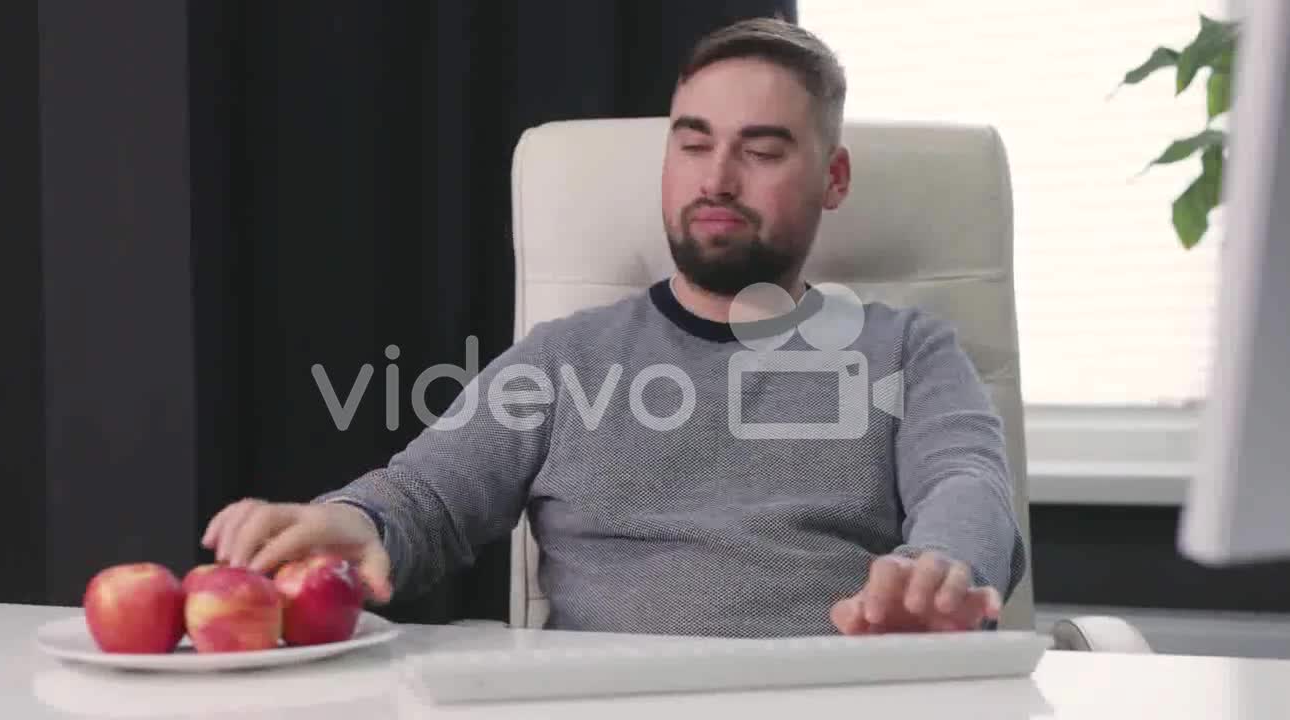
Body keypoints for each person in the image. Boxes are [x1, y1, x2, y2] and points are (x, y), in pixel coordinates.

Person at [202, 17, 1026, 637]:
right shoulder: (563, 361)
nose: (718, 179)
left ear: (833, 177)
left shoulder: (907, 350)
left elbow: (969, 489)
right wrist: (360, 521)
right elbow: (423, 499)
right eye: (693, 144)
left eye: (763, 151)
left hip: (830, 694)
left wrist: (934, 576)